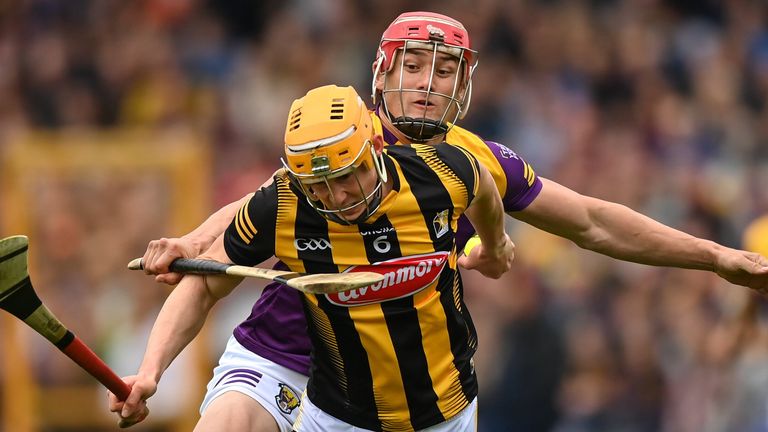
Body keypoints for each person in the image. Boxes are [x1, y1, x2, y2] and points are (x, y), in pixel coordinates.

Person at [117, 10, 768, 432]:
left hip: (408, 397)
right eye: (415, 65)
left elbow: (594, 222)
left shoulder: (471, 161)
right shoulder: (347, 136)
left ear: (466, 80)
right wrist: (196, 243)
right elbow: (267, 199)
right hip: (285, 356)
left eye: (446, 68)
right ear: (384, 72)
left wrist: (715, 256)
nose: (429, 82)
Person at [110, 83, 516, 431]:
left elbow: (483, 188)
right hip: (338, 414)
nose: (336, 199)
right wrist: (150, 372)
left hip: (444, 411)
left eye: (345, 177)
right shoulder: (284, 206)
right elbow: (202, 285)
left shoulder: (441, 174)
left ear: (375, 149)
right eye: (317, 185)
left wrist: (494, 247)